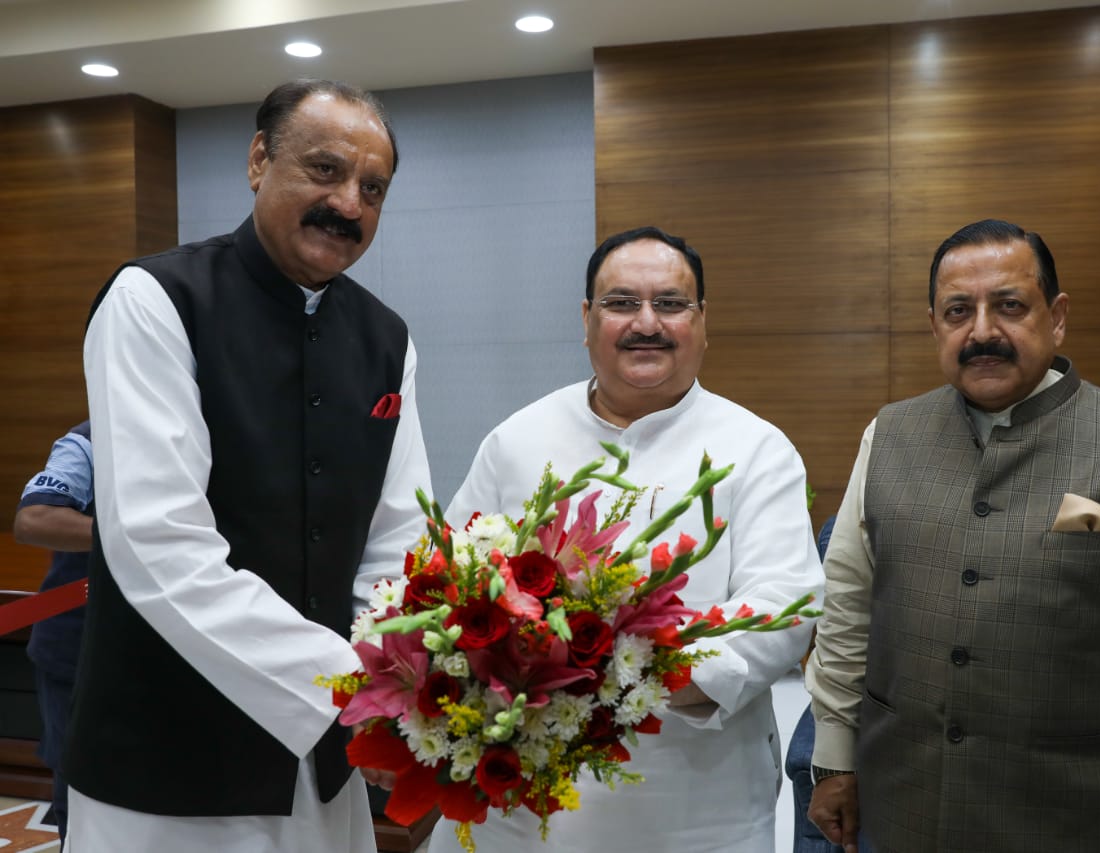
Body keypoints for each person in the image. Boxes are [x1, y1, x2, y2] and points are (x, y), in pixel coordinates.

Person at [805, 219, 1100, 853]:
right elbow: (848, 612)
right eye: (958, 310)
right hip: (902, 813)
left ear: (1058, 316)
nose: (983, 331)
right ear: (935, 324)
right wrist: (834, 759)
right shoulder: (888, 436)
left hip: (1084, 824)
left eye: (1010, 306)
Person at [60, 79, 433, 853]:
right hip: (164, 763)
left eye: (373, 188)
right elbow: (158, 545)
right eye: (325, 171)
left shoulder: (386, 336)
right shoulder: (154, 299)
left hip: (326, 763)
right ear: (260, 159)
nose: (349, 205)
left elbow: (399, 544)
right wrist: (347, 683)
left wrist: (396, 680)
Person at [425, 226, 824, 853]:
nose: (647, 323)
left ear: (701, 320)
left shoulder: (757, 449)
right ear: (587, 319)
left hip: (692, 806)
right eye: (620, 303)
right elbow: (447, 582)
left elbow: (781, 609)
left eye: (670, 304)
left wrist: (624, 678)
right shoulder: (517, 439)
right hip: (517, 810)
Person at [13, 420, 93, 841]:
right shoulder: (87, 441)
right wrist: (142, 538)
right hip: (76, 650)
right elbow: (34, 520)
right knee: (77, 789)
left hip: (170, 654)